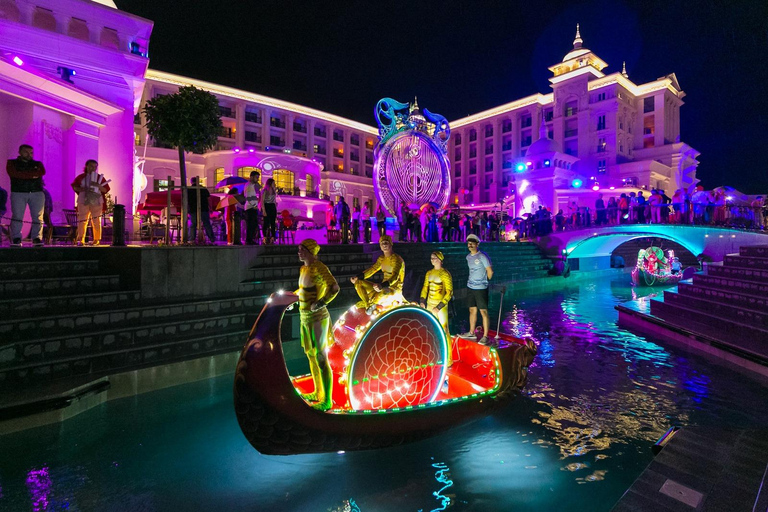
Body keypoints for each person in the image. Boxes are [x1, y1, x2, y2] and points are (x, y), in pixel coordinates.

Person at [295, 238, 340, 410]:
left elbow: (334, 288)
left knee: (321, 357)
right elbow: (303, 290)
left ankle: (327, 400)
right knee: (311, 356)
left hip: (318, 318)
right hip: (304, 317)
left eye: (302, 249)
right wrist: (291, 296)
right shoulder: (303, 268)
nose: (299, 252)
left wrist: (321, 303)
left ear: (311, 252)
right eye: (299, 249)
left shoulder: (319, 267)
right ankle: (317, 392)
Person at [350, 235, 404, 314]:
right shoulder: (381, 259)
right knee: (358, 282)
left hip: (394, 289)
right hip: (382, 287)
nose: (384, 245)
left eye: (386, 242)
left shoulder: (397, 259)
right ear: (380, 246)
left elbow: (395, 277)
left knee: (378, 296)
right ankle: (368, 305)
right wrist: (358, 277)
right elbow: (372, 269)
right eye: (382, 243)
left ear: (391, 244)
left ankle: (370, 304)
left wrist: (382, 285)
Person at [7, 144, 46, 247]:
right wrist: (32, 175)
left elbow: (42, 172)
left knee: (38, 217)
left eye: (31, 152)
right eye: (26, 152)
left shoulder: (38, 164)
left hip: (36, 192)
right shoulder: (12, 163)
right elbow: (14, 174)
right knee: (17, 216)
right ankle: (16, 238)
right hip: (18, 192)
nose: (29, 155)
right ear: (20, 152)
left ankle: (37, 238)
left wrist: (24, 175)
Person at [420, 251, 454, 366]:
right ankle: (434, 355)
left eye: (434, 258)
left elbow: (449, 292)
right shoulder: (429, 273)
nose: (432, 260)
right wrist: (422, 301)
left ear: (440, 259)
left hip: (441, 306)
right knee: (431, 329)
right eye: (431, 258)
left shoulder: (445, 274)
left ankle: (449, 358)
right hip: (430, 304)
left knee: (444, 330)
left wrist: (439, 306)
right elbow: (425, 287)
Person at [462, 233, 493, 345]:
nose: (470, 245)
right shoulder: (468, 257)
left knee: (483, 312)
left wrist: (485, 282)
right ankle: (471, 332)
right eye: (468, 244)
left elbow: (490, 271)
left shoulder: (482, 256)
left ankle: (485, 336)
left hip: (481, 288)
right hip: (470, 286)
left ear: (477, 244)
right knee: (472, 310)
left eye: (472, 243)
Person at [71, 159, 109, 246]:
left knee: (96, 220)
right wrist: (83, 189)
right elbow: (75, 187)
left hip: (96, 200)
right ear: (86, 166)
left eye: (95, 167)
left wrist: (98, 186)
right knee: (82, 219)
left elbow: (105, 189)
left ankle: (96, 239)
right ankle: (81, 239)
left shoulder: (99, 178)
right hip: (83, 199)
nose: (93, 168)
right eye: (91, 166)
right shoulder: (81, 177)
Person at [187, 176, 215, 244]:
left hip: (193, 209)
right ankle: (212, 239)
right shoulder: (203, 189)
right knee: (206, 223)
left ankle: (191, 239)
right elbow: (209, 199)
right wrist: (210, 208)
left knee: (193, 224)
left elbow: (186, 200)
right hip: (204, 208)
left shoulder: (189, 189)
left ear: (191, 182)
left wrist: (187, 209)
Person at [244, 171, 261, 245]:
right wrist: (254, 205)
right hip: (250, 207)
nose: (257, 179)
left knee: (252, 224)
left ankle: (250, 239)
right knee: (251, 224)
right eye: (256, 177)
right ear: (252, 177)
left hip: (251, 207)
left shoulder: (250, 185)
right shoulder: (249, 185)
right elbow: (248, 196)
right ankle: (249, 240)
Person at [260, 178, 277, 244]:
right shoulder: (264, 190)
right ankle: (265, 237)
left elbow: (275, 200)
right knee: (266, 223)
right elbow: (262, 201)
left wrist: (275, 206)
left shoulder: (273, 190)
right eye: (273, 183)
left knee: (273, 223)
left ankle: (272, 237)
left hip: (272, 206)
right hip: (267, 206)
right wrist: (263, 210)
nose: (274, 184)